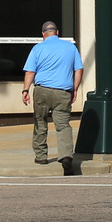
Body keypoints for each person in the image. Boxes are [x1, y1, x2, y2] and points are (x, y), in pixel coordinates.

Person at [21, 21, 82, 165]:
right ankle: (66, 156)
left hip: (42, 91)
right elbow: (79, 69)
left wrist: (25, 89)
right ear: (57, 32)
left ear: (43, 34)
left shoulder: (37, 48)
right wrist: (75, 88)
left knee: (40, 123)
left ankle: (41, 156)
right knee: (63, 125)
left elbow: (30, 71)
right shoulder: (70, 47)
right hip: (63, 92)